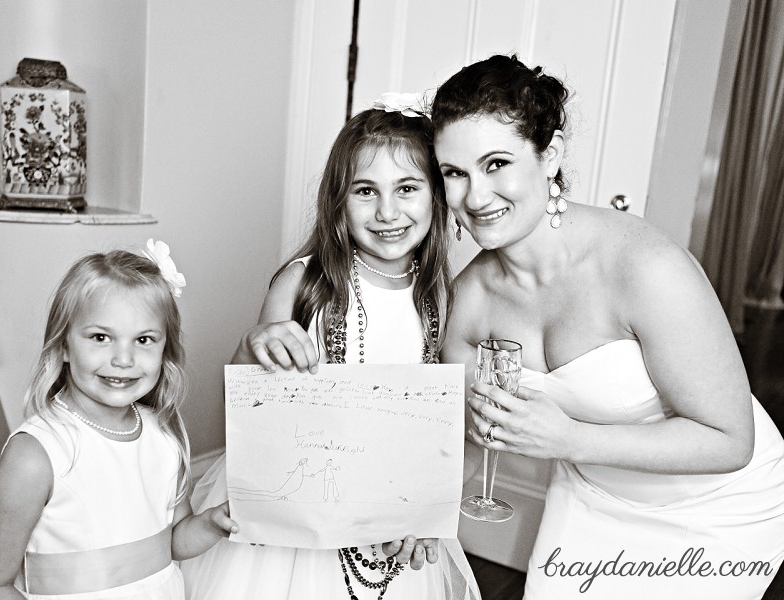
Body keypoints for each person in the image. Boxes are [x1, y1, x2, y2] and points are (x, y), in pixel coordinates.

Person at [432, 53, 784, 598]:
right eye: (455, 173)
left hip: (715, 509)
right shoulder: (471, 299)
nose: (475, 197)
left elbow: (729, 441)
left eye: (496, 163)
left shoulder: (646, 267)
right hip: (591, 497)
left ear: (550, 155)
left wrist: (568, 437)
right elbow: (457, 433)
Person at [180, 98, 481, 600]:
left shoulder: (443, 296)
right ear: (338, 201)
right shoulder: (303, 284)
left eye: (407, 189)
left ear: (437, 196)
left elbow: (450, 425)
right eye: (366, 191)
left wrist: (428, 507)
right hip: (296, 502)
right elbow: (249, 405)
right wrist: (253, 346)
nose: (387, 212)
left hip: (391, 510)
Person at [0, 241, 239, 600]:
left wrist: (209, 524)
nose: (123, 359)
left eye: (143, 339)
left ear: (165, 350)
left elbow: (171, 542)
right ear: (63, 344)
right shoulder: (36, 455)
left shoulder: (163, 436)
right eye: (100, 337)